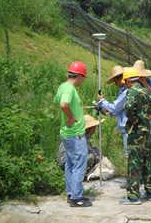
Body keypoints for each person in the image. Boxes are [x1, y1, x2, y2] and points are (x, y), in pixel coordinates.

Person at [122, 67, 151, 205]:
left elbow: (129, 107)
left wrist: (134, 120)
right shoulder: (147, 91)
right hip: (147, 133)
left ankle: (134, 196)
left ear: (129, 80)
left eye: (125, 82)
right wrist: (150, 117)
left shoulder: (131, 92)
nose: (125, 84)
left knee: (134, 164)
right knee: (147, 163)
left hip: (135, 134)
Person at [54, 61, 92, 207]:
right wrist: (71, 117)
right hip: (75, 134)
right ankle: (77, 197)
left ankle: (71, 193)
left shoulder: (62, 86)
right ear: (80, 76)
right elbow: (63, 104)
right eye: (84, 78)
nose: (83, 81)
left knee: (70, 164)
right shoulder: (69, 89)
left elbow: (59, 102)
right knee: (79, 164)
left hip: (67, 133)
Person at [133, 60, 151, 176]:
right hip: (137, 117)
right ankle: (141, 172)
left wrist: (145, 83)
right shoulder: (132, 82)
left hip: (147, 115)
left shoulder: (147, 81)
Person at [97, 65, 128, 155]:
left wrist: (102, 101)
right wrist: (106, 111)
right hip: (126, 129)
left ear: (120, 78)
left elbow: (114, 108)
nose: (115, 83)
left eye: (115, 80)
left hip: (129, 129)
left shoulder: (126, 92)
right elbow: (118, 109)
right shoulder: (122, 91)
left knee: (130, 157)